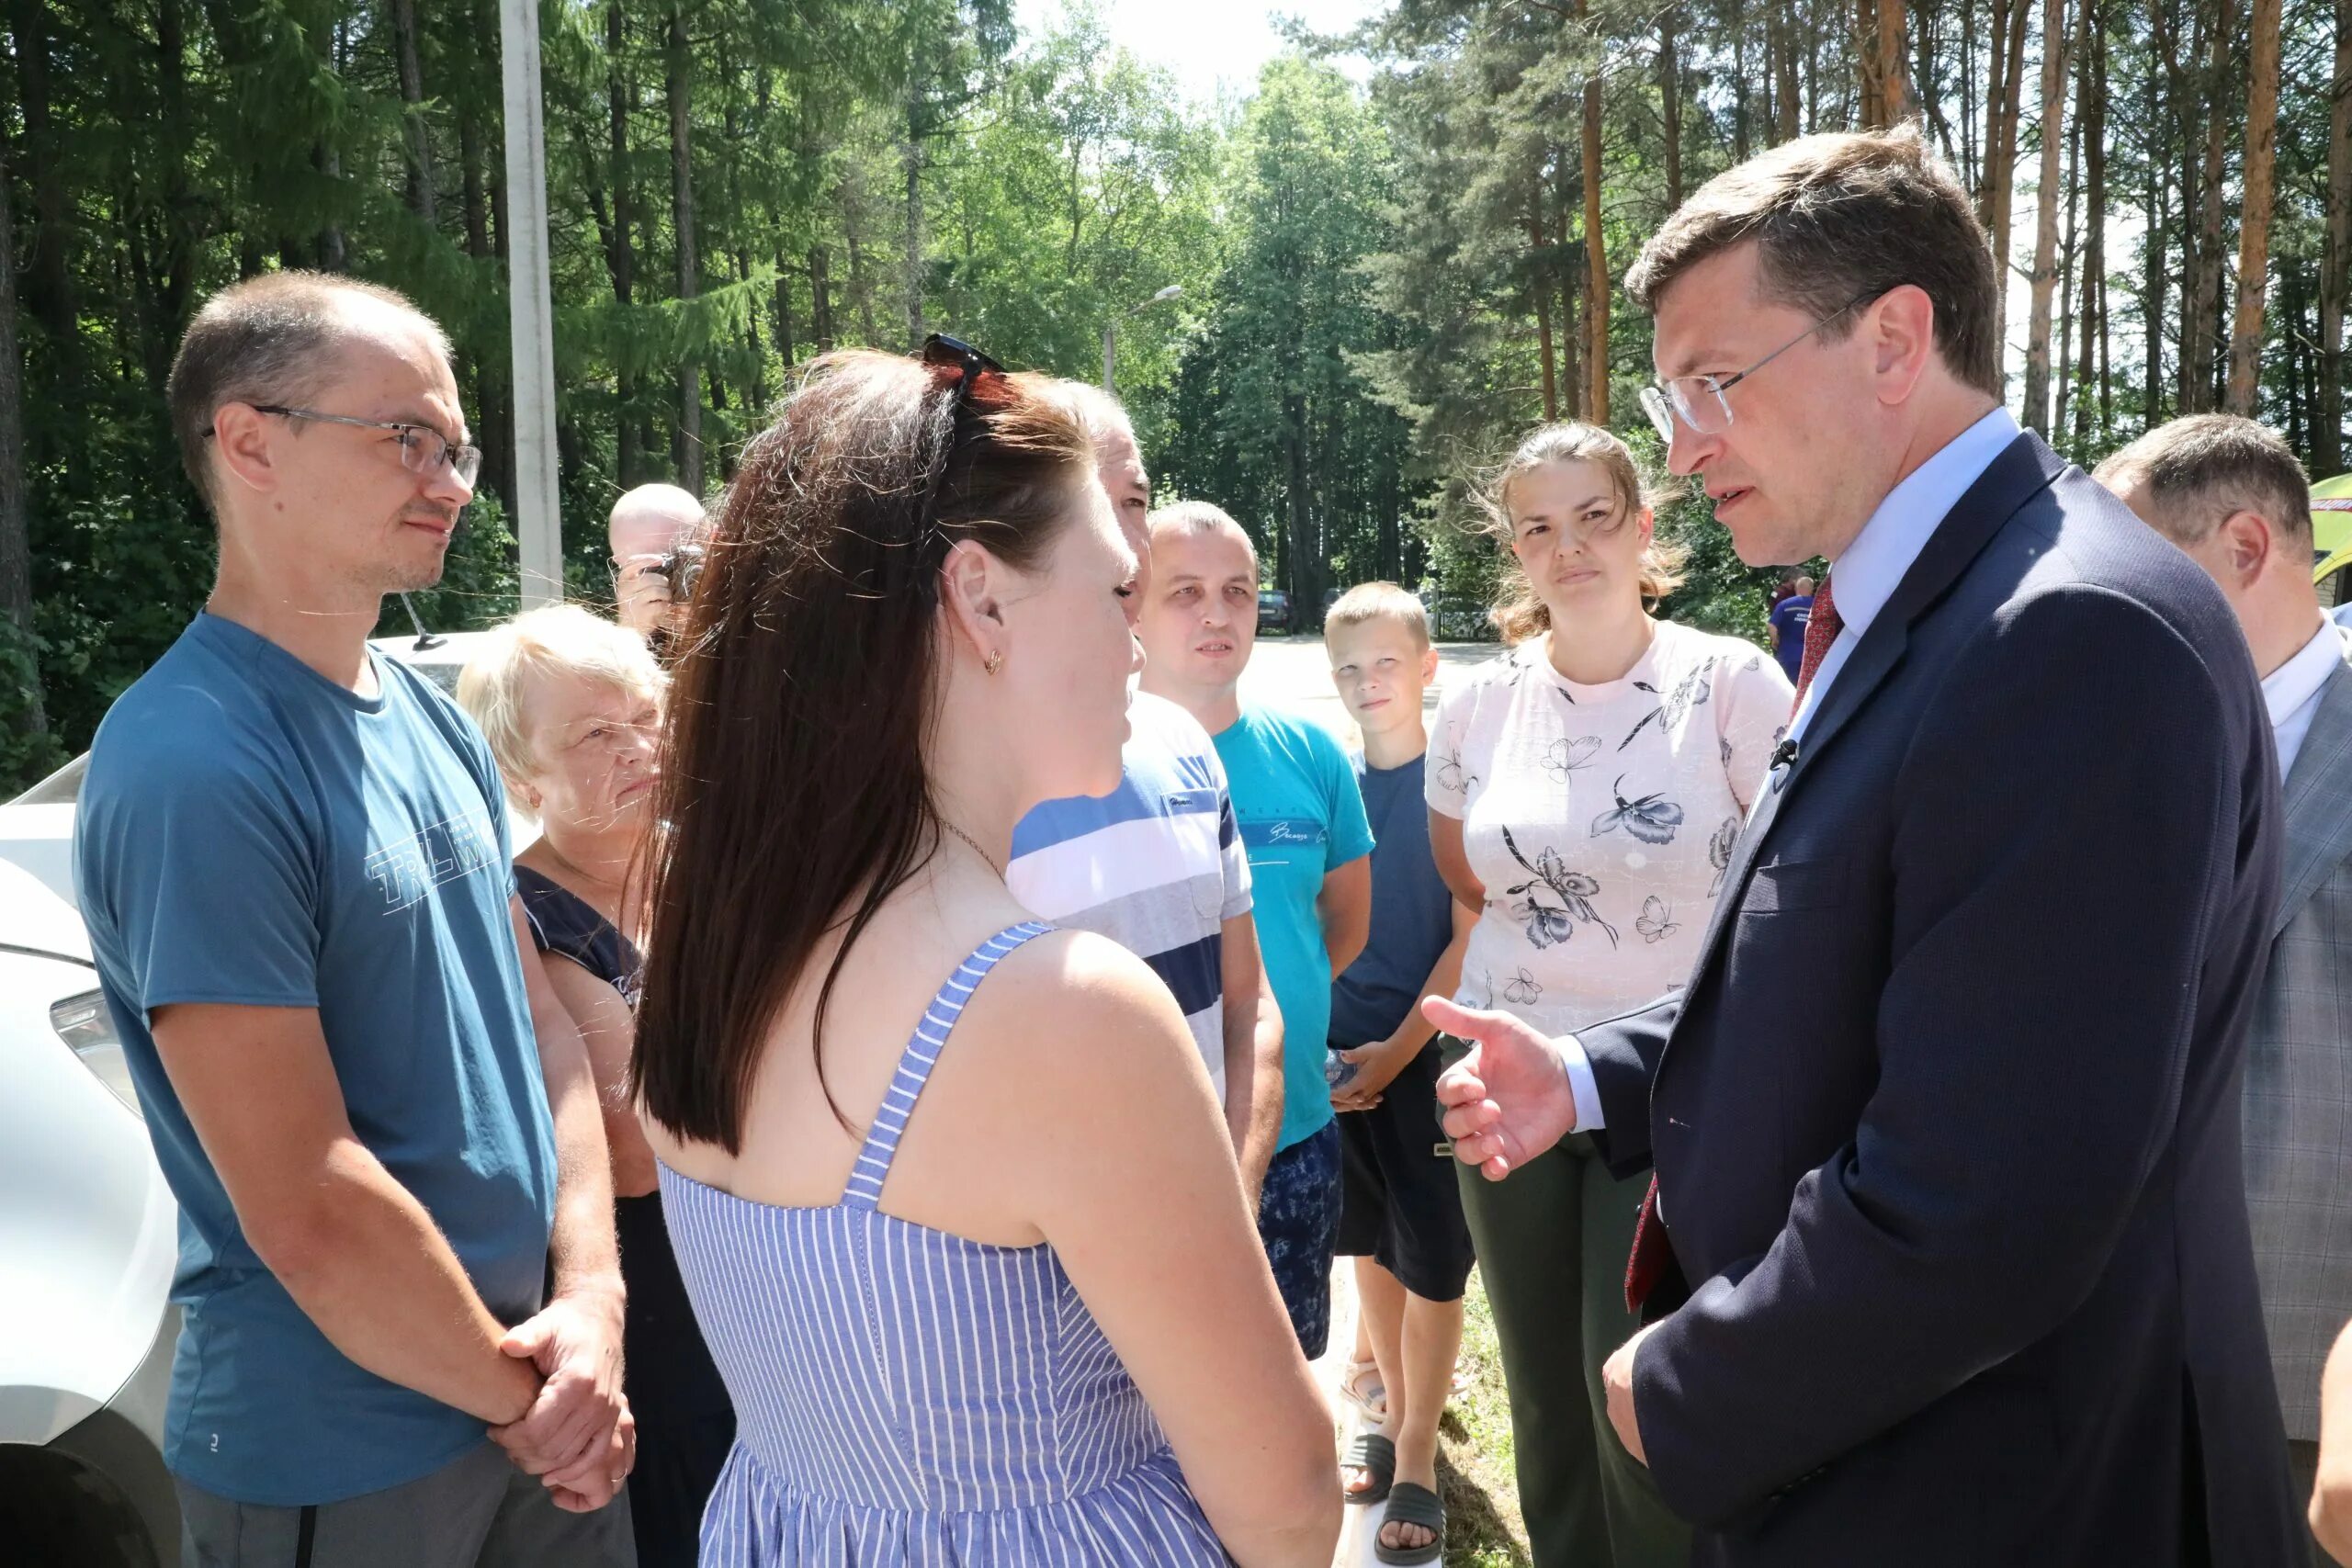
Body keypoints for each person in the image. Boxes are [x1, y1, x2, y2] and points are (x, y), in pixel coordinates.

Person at [1432, 125, 2303, 1565]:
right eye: (1668, 396)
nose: (1683, 441)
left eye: (1715, 382)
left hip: (2004, 1491)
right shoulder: (1940, 600)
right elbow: (1853, 958)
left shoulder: (2067, 633)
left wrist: (1690, 1376)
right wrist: (1596, 1070)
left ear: (1895, 336)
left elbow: (1994, 1191)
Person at [631, 342, 1338, 1568]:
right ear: (982, 599)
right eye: (1115, 591)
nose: (1136, 642)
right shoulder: (1056, 1012)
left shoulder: (713, 935)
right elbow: (1286, 1499)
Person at [73, 273, 633, 1567]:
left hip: (537, 1392)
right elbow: (308, 1200)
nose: (450, 479)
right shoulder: (194, 760)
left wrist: (594, 1297)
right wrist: (540, 1404)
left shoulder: (424, 709)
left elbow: (540, 1017)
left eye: (457, 445)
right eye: (405, 438)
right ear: (250, 440)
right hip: (348, 1446)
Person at [1426, 422, 1790, 1568]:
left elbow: (1785, 887)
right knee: (1540, 1387)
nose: (1568, 545)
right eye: (1538, 525)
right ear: (1513, 552)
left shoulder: (1729, 683)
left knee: (1635, 1389)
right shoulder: (1477, 706)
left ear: (1642, 525)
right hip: (1499, 1083)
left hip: (1666, 1088)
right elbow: (1463, 879)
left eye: (1594, 516)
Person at [2098, 416, 2352, 1564]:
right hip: (2119, 1353)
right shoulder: (2106, 737)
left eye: (2138, 568)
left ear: (2246, 547)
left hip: (2316, 1373)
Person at [458, 605, 734, 1568]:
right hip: (663, 1303)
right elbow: (634, 1146)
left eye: (644, 718)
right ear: (519, 774)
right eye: (593, 733)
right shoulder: (528, 911)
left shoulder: (718, 862)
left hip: (781, 1284)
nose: (636, 748)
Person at [1007, 381, 1284, 1204]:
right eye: (1095, 502)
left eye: (1136, 501)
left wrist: (1226, 1210)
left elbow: (1250, 1010)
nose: (1130, 547)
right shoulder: (950, 771)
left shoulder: (1184, 744)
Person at [1135, 499, 1376, 1359]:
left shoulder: (1312, 752)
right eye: (1185, 591)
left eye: (1238, 590)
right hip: (1141, 1158)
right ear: (1130, 602)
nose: (1217, 613)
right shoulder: (1091, 760)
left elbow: (1341, 925)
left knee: (1283, 1377)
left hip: (1296, 1132)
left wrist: (1289, 996)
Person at [1321, 581, 1477, 1565]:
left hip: (1424, 1057)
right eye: (1347, 668)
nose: (1366, 683)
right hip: (1341, 1059)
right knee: (1366, 1244)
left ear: (1426, 668)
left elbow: (1467, 935)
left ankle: (1419, 1444)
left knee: (1433, 1255)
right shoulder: (1334, 784)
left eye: (1385, 663)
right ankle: (1382, 1404)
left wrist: (1398, 1052)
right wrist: (1330, 1052)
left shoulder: (1453, 788)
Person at [608, 483, 707, 649]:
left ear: (714, 539)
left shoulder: (754, 595)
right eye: (650, 569)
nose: (668, 580)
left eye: (680, 561)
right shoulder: (625, 643)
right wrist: (632, 634)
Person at [1765, 572, 1814, 683]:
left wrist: (1775, 639)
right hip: (1812, 657)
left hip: (1787, 654)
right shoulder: (1818, 606)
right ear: (1812, 589)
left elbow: (1772, 625)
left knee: (1786, 687)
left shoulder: (1785, 604)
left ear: (1797, 587)